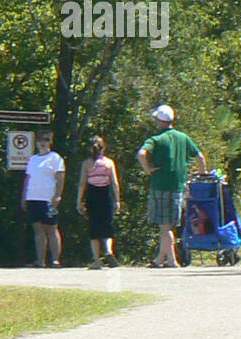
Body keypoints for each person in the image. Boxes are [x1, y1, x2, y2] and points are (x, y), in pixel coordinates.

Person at [138, 105, 207, 268]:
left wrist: (148, 169)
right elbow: (200, 157)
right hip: (178, 186)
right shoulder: (183, 138)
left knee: (164, 226)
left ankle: (172, 260)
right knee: (170, 224)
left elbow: (141, 154)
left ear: (160, 121)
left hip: (160, 185)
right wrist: (202, 174)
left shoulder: (156, 139)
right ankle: (159, 259)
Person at [20, 131, 65, 267]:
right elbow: (28, 179)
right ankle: (40, 261)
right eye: (40, 140)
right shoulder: (33, 159)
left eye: (45, 140)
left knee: (51, 228)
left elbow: (60, 178)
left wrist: (57, 196)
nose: (43, 143)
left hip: (48, 198)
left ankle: (55, 260)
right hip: (33, 198)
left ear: (50, 142)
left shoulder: (55, 158)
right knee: (38, 229)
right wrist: (24, 197)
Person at [78, 136, 121, 269]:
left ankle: (97, 260)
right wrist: (118, 200)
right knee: (107, 225)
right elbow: (114, 183)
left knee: (94, 228)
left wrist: (79, 201)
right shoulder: (109, 163)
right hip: (106, 195)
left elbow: (82, 184)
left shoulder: (86, 164)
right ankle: (108, 250)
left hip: (92, 195)